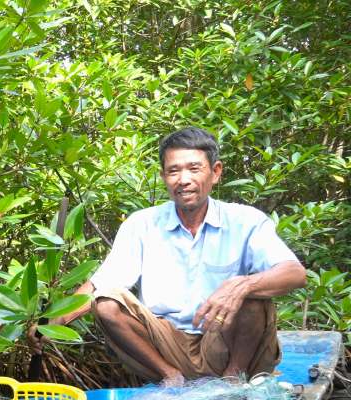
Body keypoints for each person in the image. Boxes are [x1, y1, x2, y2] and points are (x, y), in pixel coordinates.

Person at [40, 127, 306, 386]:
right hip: (165, 346)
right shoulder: (141, 224)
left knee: (253, 297)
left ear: (215, 173)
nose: (184, 179)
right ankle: (170, 377)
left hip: (226, 345)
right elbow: (102, 283)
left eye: (194, 168)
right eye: (173, 171)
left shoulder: (245, 221)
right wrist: (50, 324)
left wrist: (242, 285)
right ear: (163, 177)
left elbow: (295, 273)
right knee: (106, 302)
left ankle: (232, 379)